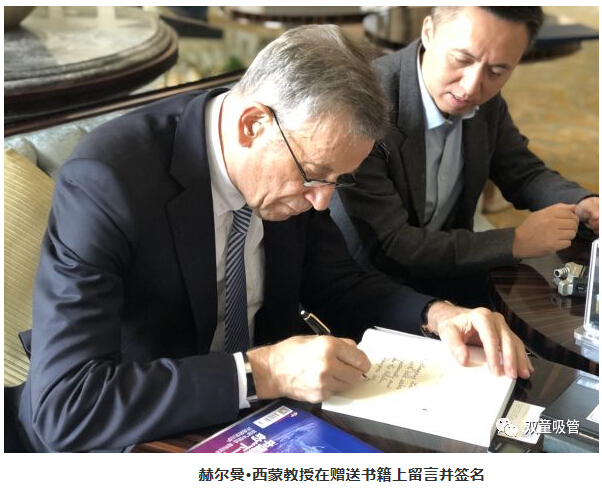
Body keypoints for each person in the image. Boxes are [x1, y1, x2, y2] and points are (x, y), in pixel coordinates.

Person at [17, 24, 532, 453]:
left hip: (270, 421)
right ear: (252, 126)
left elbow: (338, 283)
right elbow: (65, 407)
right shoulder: (110, 180)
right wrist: (263, 371)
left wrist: (437, 315)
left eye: (337, 181)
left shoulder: (296, 166)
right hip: (144, 430)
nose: (322, 202)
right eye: (314, 175)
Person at [334, 7, 599, 307]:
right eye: (461, 59)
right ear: (428, 32)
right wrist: (516, 241)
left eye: (496, 72)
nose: (472, 87)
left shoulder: (485, 102)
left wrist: (583, 203)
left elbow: (523, 173)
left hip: (449, 270)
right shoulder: (364, 104)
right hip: (371, 287)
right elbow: (394, 244)